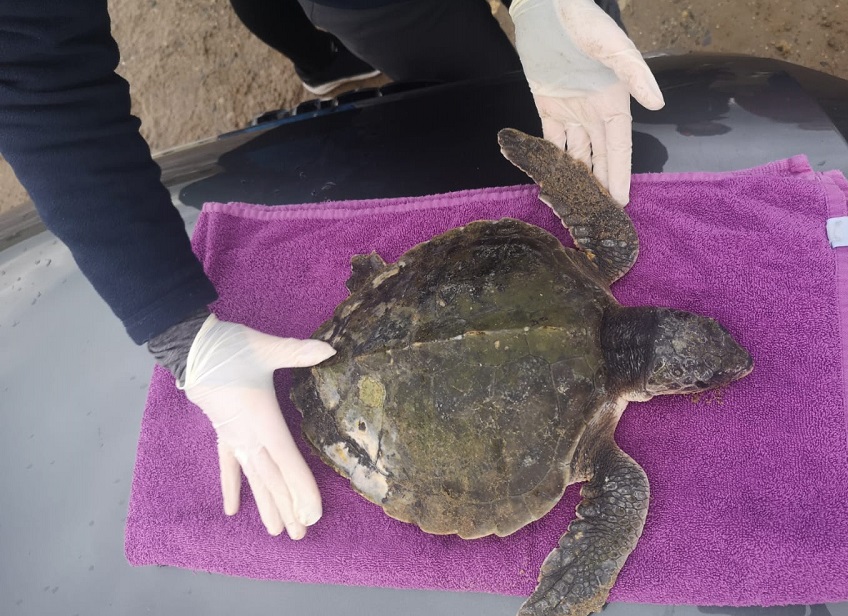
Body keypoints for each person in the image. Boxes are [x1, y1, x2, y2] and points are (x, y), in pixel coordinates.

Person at [0, 0, 664, 541]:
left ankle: (326, 49)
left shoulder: (606, 264)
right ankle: (318, 55)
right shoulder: (614, 451)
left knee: (493, 77)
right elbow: (33, 70)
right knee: (485, 96)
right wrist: (182, 338)